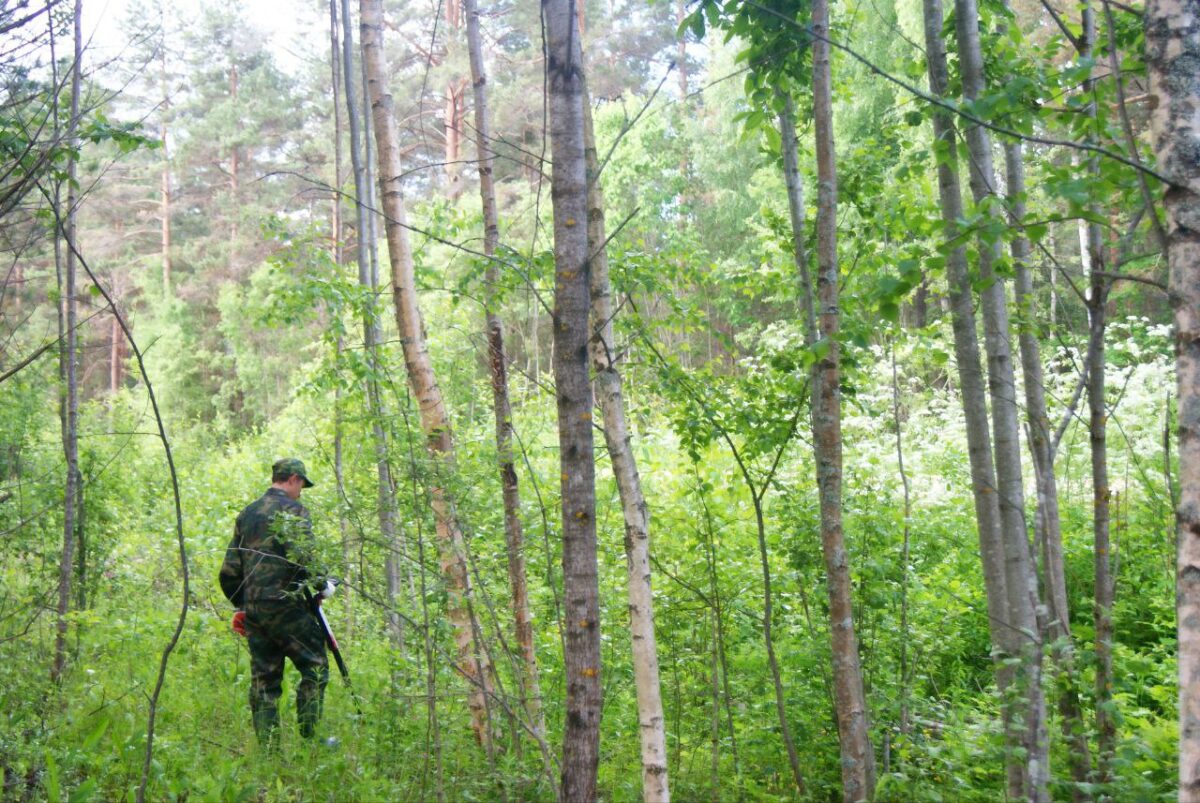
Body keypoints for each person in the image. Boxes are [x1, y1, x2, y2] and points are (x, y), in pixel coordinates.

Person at [219, 457, 330, 746]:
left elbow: (229, 571)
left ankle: (269, 751)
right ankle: (310, 741)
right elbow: (304, 554)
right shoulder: (293, 510)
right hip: (287, 604)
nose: (301, 492)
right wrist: (323, 585)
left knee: (264, 680)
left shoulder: (247, 514)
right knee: (315, 666)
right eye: (302, 484)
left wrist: (244, 605)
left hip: (256, 610)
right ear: (293, 479)